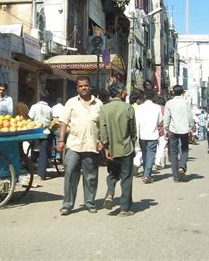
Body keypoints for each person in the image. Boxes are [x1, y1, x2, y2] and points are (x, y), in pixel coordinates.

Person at [57, 76, 103, 215]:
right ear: (77, 88)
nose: (84, 88)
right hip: (73, 145)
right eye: (81, 86)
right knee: (70, 174)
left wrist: (102, 141)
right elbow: (63, 123)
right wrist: (61, 141)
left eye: (86, 85)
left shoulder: (99, 104)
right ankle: (67, 204)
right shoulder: (71, 103)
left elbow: (103, 125)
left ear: (90, 87)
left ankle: (89, 202)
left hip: (91, 145)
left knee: (91, 176)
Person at [100, 82, 137, 216]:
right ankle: (124, 208)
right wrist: (133, 143)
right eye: (125, 91)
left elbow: (103, 130)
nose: (126, 93)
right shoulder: (128, 108)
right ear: (121, 92)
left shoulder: (104, 109)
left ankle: (110, 193)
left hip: (111, 149)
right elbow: (133, 130)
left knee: (113, 174)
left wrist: (106, 147)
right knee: (126, 178)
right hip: (126, 148)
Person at [164, 85, 195, 182]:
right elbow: (190, 116)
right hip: (184, 130)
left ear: (173, 92)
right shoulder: (186, 102)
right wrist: (191, 127)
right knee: (185, 149)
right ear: (182, 92)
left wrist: (166, 129)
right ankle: (182, 166)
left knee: (173, 153)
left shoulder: (169, 103)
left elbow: (167, 118)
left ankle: (176, 177)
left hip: (173, 130)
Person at [136, 89, 162, 183]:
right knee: (151, 154)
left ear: (145, 97)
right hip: (153, 134)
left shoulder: (140, 107)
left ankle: (146, 173)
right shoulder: (157, 107)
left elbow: (136, 122)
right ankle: (147, 174)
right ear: (154, 97)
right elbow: (160, 121)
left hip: (142, 135)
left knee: (144, 154)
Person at [28, 90, 53, 182]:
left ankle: (30, 168)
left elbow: (30, 117)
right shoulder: (50, 109)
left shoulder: (34, 107)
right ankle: (41, 174)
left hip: (35, 131)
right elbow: (51, 119)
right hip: (45, 132)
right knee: (43, 152)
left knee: (32, 149)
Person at [154, 96, 168, 169]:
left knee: (156, 147)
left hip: (154, 130)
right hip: (163, 130)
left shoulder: (154, 108)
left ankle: (157, 160)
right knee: (162, 147)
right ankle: (161, 162)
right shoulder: (166, 109)